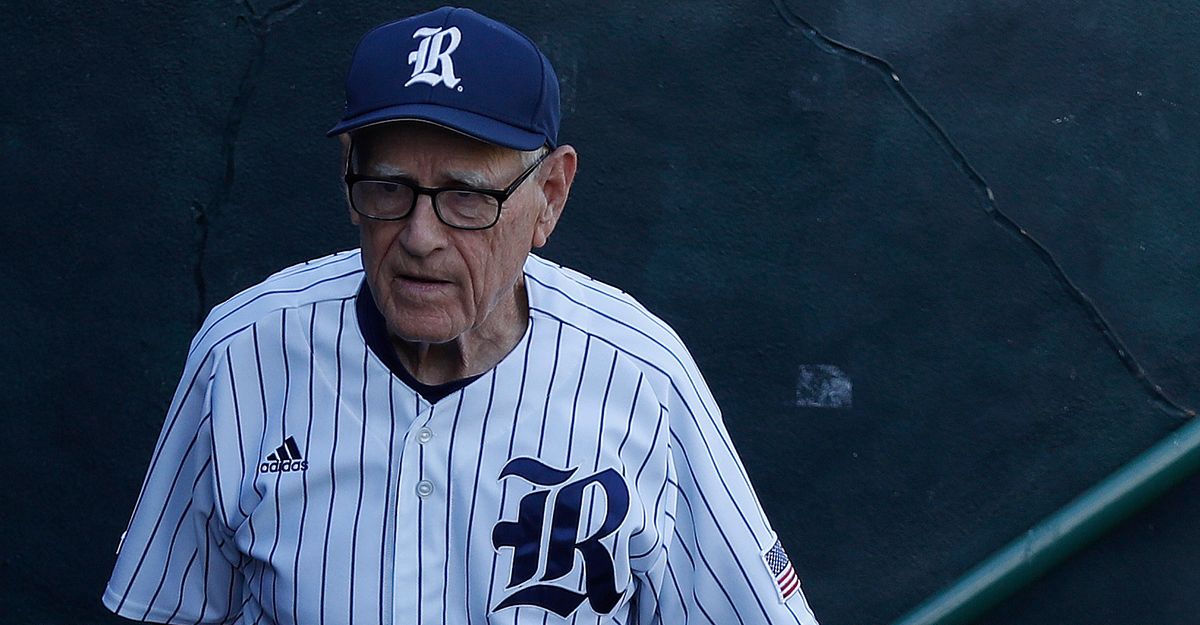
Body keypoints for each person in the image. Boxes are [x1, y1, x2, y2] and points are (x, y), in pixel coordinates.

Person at [103, 6, 819, 624]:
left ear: (551, 195)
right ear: (350, 179)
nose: (419, 235)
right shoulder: (244, 353)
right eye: (389, 187)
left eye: (467, 197)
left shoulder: (641, 378)